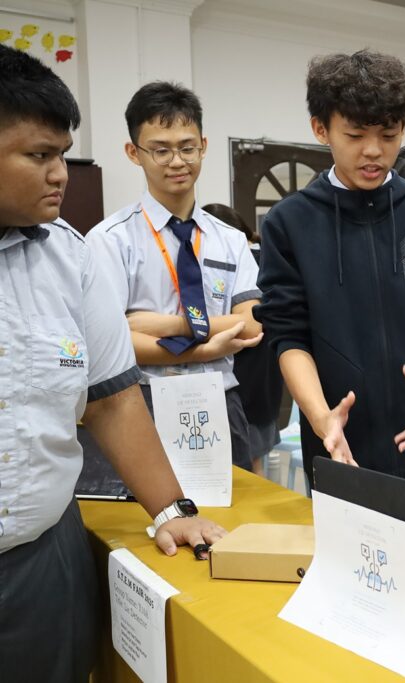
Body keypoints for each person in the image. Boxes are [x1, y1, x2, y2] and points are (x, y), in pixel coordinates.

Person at [0, 45, 224, 682]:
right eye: (39, 156)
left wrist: (172, 511)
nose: (61, 174)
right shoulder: (113, 238)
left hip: (41, 563)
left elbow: (112, 399)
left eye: (63, 154)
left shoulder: (69, 257)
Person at [254, 50, 405, 511]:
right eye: (355, 135)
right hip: (345, 455)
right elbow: (288, 336)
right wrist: (321, 418)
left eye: (389, 134)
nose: (374, 151)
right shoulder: (290, 223)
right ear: (321, 129)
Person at [87, 82, 263, 472]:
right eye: (160, 150)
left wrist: (168, 325)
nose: (177, 161)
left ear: (203, 146)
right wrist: (207, 347)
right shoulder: (110, 240)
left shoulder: (230, 240)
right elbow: (112, 343)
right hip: (143, 401)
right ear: (133, 152)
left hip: (220, 399)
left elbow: (251, 325)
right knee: (152, 509)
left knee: (235, 508)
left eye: (187, 147)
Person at [202, 203, 284, 477]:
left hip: (241, 383)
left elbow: (249, 326)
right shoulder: (270, 259)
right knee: (255, 469)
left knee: (242, 474)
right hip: (267, 384)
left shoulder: (240, 263)